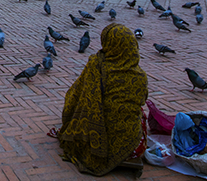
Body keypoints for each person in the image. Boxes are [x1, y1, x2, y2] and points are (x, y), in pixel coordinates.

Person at [57, 23, 148, 176]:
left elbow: (76, 93)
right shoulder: (140, 76)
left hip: (93, 138)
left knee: (80, 98)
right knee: (140, 115)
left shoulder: (96, 64)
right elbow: (142, 100)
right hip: (129, 142)